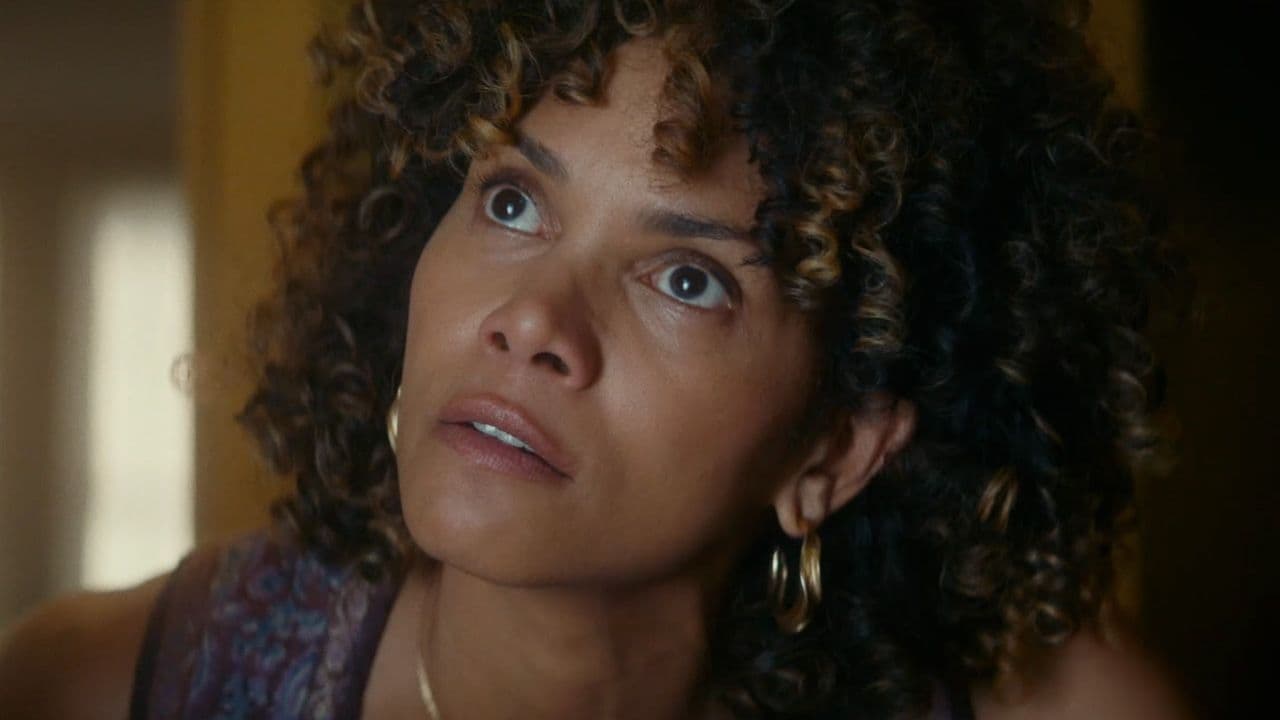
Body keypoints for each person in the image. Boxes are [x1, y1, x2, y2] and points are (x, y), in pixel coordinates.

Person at [0, 1, 1194, 718]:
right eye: (512, 203)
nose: (532, 321)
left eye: (687, 279)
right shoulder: (103, 689)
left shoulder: (1068, 709)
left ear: (832, 451)